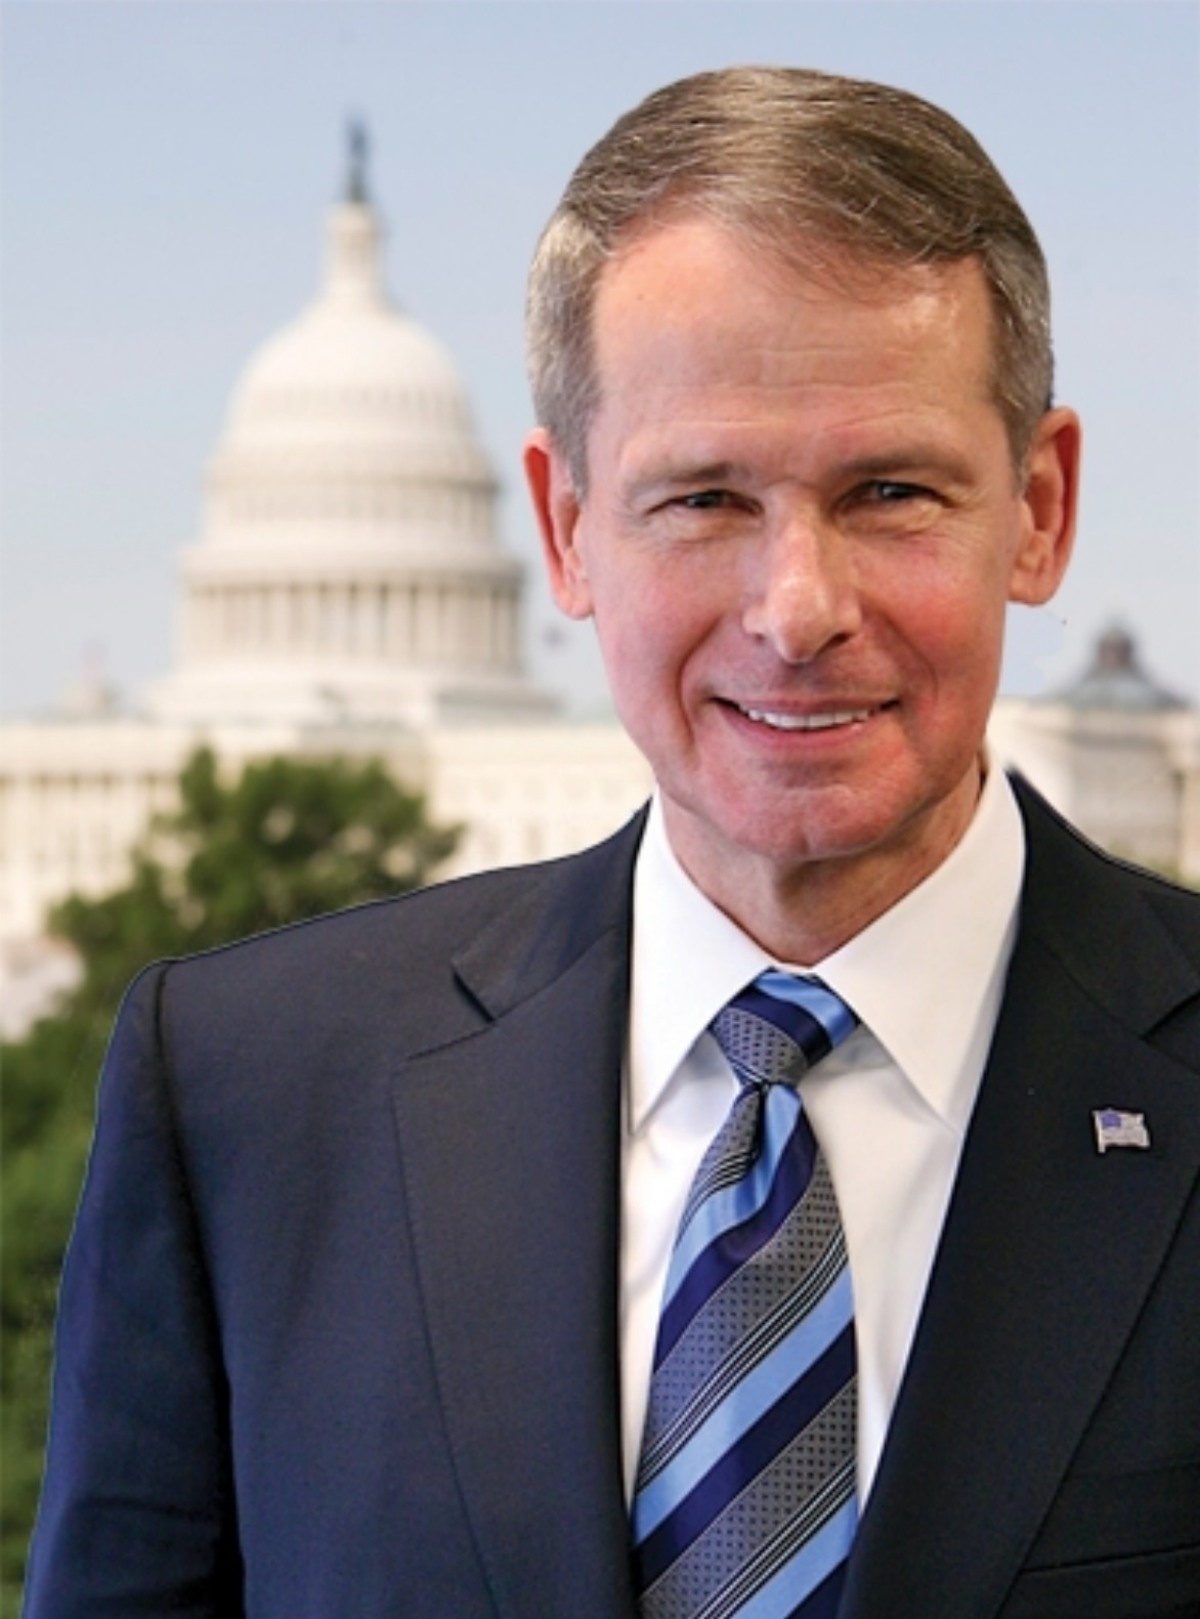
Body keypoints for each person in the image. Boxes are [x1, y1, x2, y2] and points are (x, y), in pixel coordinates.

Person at [24, 67, 1200, 1619]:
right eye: (704, 498)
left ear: (1040, 508)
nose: (798, 611)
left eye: (890, 491)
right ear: (566, 528)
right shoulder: (248, 1097)